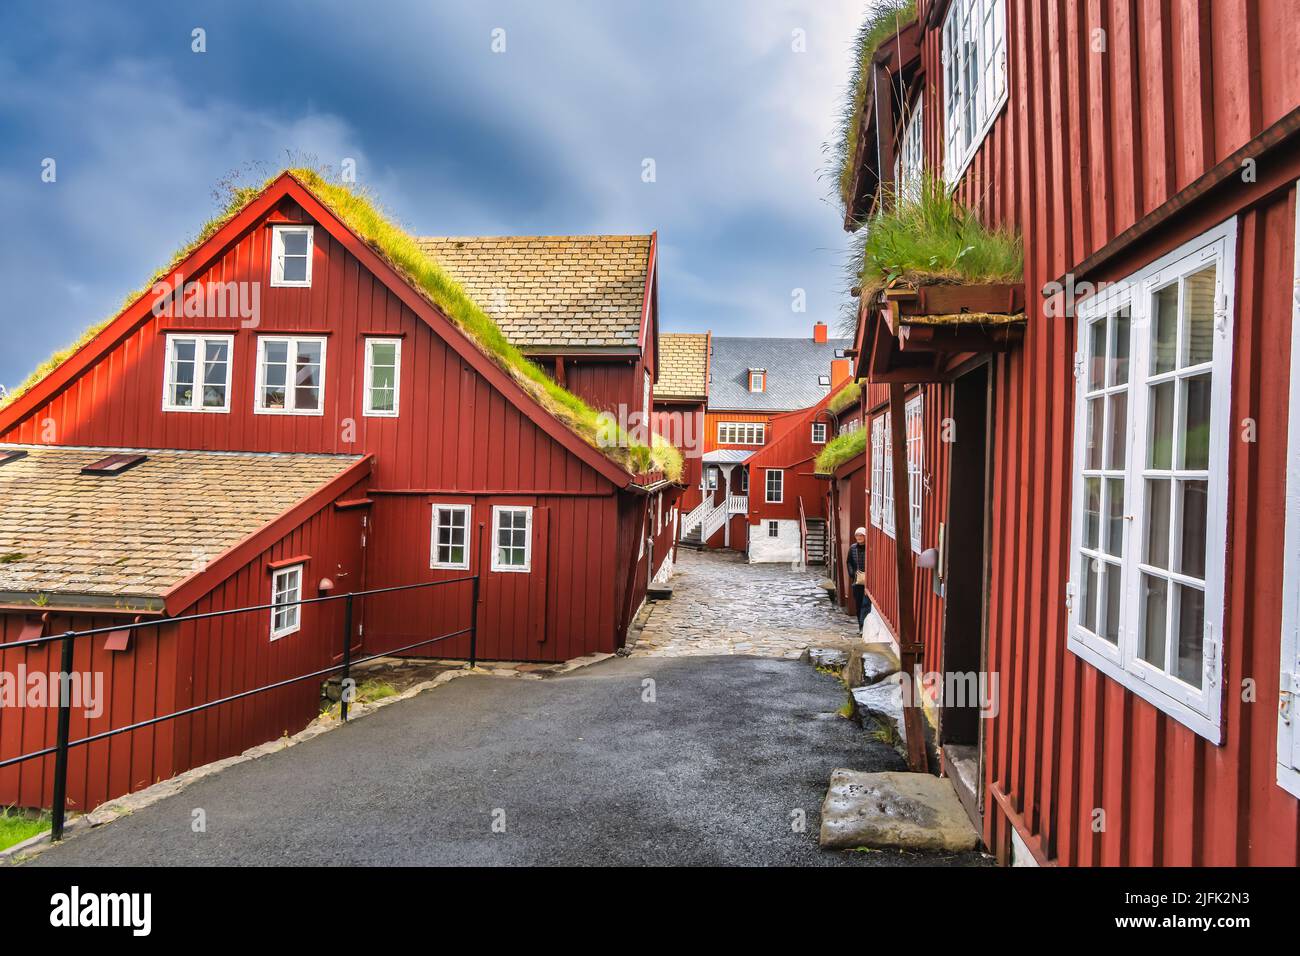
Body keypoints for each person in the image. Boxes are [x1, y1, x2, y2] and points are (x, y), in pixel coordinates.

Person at [846, 527, 870, 629]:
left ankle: (865, 625)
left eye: (861, 535)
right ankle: (861, 626)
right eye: (857, 535)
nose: (859, 537)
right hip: (857, 580)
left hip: (869, 580)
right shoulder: (852, 548)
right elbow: (849, 562)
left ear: (865, 536)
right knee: (858, 604)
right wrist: (852, 574)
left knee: (867, 604)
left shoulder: (869, 548)